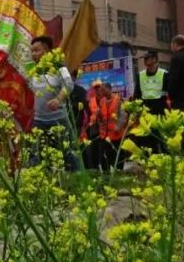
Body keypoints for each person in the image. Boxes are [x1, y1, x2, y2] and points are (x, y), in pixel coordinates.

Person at [28, 35, 78, 170]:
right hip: (39, 120)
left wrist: (58, 99)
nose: (33, 54)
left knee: (67, 154)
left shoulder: (59, 66)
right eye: (32, 51)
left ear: (47, 51)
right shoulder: (34, 70)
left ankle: (76, 182)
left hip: (58, 120)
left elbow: (69, 84)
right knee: (37, 155)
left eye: (36, 50)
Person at [88, 80, 123, 171]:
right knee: (105, 156)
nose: (101, 92)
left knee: (117, 157)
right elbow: (100, 113)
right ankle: (107, 174)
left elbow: (123, 115)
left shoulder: (118, 100)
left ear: (109, 89)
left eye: (103, 90)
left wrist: (118, 126)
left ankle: (119, 172)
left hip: (116, 136)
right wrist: (95, 117)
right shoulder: (102, 101)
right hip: (104, 135)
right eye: (100, 90)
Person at [134, 50, 168, 116]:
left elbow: (168, 92)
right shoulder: (140, 75)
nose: (145, 60)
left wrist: (160, 94)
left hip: (159, 109)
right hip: (145, 110)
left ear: (154, 59)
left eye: (147, 58)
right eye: (144, 58)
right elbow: (137, 94)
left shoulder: (164, 74)